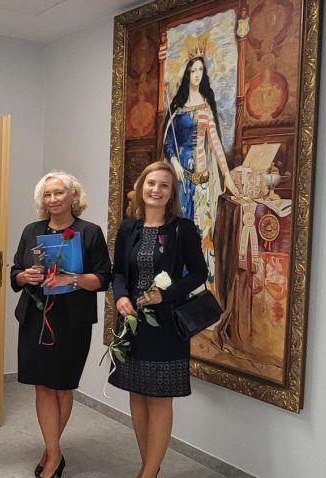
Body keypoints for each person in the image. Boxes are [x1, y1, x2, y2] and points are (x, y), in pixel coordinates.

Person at [108, 161, 208, 478]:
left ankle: (148, 473)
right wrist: (120, 297)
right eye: (151, 183)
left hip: (166, 327)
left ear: (171, 193)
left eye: (164, 185)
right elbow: (118, 272)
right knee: (137, 395)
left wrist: (165, 295)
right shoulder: (128, 228)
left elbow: (199, 273)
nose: (156, 190)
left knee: (160, 400)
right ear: (141, 187)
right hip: (132, 325)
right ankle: (149, 466)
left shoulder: (182, 229)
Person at [10, 171, 112, 478]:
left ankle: (50, 452)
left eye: (58, 193)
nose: (53, 199)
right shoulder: (32, 231)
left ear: (73, 195)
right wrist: (24, 276)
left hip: (72, 321)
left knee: (62, 387)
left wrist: (73, 279)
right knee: (42, 386)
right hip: (36, 318)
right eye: (47, 194)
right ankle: (54, 453)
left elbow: (103, 279)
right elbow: (15, 272)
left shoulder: (89, 232)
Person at [163, 54, 241, 284]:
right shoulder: (177, 108)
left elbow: (215, 144)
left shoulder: (206, 107)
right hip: (181, 180)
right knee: (178, 232)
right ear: (186, 74)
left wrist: (227, 176)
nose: (196, 75)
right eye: (192, 70)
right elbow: (168, 142)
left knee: (200, 233)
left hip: (201, 182)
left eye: (200, 70)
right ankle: (176, 282)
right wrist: (174, 162)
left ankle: (198, 286)